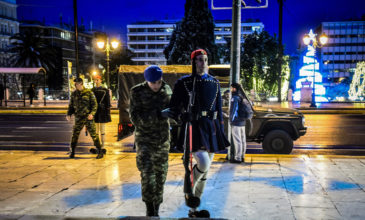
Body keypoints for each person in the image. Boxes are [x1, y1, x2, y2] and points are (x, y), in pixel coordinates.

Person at [166, 49, 230, 218]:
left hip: (211, 128)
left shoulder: (214, 83)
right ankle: (188, 192)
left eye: (205, 59)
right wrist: (182, 116)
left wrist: (220, 131)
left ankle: (194, 209)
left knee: (206, 172)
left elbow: (217, 109)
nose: (203, 63)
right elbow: (174, 108)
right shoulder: (184, 83)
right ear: (193, 62)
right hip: (193, 127)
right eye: (200, 60)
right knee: (203, 163)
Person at [129, 65, 172, 217]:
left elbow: (173, 111)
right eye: (153, 83)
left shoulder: (167, 90)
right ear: (147, 81)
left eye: (159, 82)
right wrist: (159, 116)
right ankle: (149, 210)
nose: (156, 85)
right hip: (145, 140)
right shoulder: (137, 92)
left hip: (162, 141)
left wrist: (176, 115)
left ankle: (156, 208)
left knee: (161, 176)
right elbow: (135, 118)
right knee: (148, 175)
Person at [66, 77, 103, 159]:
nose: (76, 85)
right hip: (78, 118)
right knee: (74, 135)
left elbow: (94, 105)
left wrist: (92, 114)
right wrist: (68, 114)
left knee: (94, 135)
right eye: (75, 84)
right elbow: (71, 106)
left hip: (88, 117)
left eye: (77, 84)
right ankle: (72, 152)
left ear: (81, 84)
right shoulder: (74, 94)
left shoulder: (89, 93)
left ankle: (100, 151)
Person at [229, 83, 253, 163]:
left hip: (236, 122)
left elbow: (233, 110)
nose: (231, 90)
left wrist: (231, 120)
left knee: (237, 140)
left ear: (234, 89)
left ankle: (237, 158)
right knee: (243, 140)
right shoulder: (242, 96)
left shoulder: (235, 97)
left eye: (231, 88)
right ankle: (242, 156)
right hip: (243, 122)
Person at [90, 75, 111, 154]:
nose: (96, 81)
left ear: (101, 81)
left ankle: (103, 146)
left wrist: (108, 112)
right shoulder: (92, 90)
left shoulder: (105, 90)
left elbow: (108, 103)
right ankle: (97, 145)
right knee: (95, 131)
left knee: (102, 130)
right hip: (95, 111)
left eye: (98, 80)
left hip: (102, 111)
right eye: (95, 80)